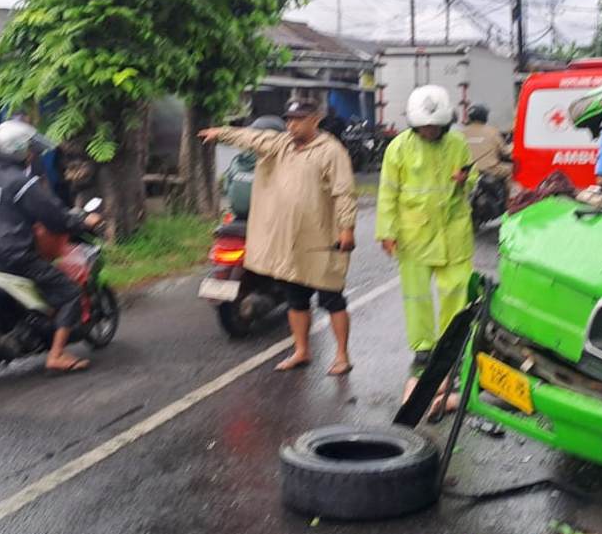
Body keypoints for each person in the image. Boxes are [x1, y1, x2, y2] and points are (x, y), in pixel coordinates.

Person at [199, 98, 357, 375]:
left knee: (332, 299)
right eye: (289, 120)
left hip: (320, 240)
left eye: (299, 120)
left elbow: (344, 192)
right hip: (288, 242)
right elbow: (251, 137)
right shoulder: (281, 144)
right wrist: (220, 133)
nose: (292, 125)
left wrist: (346, 228)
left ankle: (342, 355)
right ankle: (301, 350)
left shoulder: (331, 151)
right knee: (295, 300)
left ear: (315, 120)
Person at [0, 119, 105, 373]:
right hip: (15, 257)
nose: (32, 154)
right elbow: (54, 217)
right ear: (16, 150)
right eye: (29, 149)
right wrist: (83, 221)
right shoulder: (22, 183)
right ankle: (57, 355)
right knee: (70, 293)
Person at [378, 85, 475, 407]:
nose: (429, 131)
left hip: (453, 231)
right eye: (423, 126)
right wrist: (386, 231)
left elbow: (472, 177)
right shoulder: (398, 148)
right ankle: (423, 347)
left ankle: (451, 347)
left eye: (435, 126)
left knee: (457, 291)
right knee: (416, 295)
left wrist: (466, 180)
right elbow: (387, 192)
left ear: (446, 123)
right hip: (414, 233)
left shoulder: (458, 144)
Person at [221, 115, 287, 220]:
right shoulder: (281, 162)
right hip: (268, 220)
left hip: (238, 217)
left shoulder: (238, 160)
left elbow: (227, 187)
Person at [460, 104, 511, 182]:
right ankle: (508, 190)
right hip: (489, 170)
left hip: (466, 172)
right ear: (485, 117)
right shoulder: (492, 131)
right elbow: (505, 152)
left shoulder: (460, 133)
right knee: (513, 169)